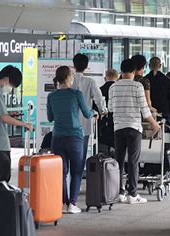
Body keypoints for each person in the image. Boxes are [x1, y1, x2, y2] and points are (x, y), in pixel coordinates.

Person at [109, 59, 160, 204]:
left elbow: (110, 108)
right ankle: (132, 194)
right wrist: (154, 123)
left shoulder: (113, 87)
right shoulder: (138, 86)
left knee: (119, 161)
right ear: (133, 71)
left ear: (122, 71)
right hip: (134, 127)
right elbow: (144, 109)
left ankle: (119, 192)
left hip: (118, 127)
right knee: (133, 161)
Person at [47, 66, 97, 213]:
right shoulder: (76, 94)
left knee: (62, 171)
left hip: (57, 138)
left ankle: (63, 202)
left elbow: (50, 118)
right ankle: (72, 204)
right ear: (69, 78)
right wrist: (94, 112)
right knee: (76, 171)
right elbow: (87, 114)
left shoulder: (51, 96)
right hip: (75, 137)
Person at [0, 65, 33, 184]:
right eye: (12, 85)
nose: (11, 89)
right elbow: (3, 117)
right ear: (6, 79)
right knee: (0, 180)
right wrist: (24, 124)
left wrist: (11, 115)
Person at [72, 53, 107, 174]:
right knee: (80, 155)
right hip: (84, 124)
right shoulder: (90, 82)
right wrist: (103, 111)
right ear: (86, 66)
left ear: (73, 65)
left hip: (66, 123)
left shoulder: (68, 80)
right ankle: (77, 178)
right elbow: (99, 98)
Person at [98, 69, 118, 150]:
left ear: (105, 78)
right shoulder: (119, 90)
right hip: (116, 123)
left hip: (102, 125)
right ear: (117, 77)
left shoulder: (99, 90)